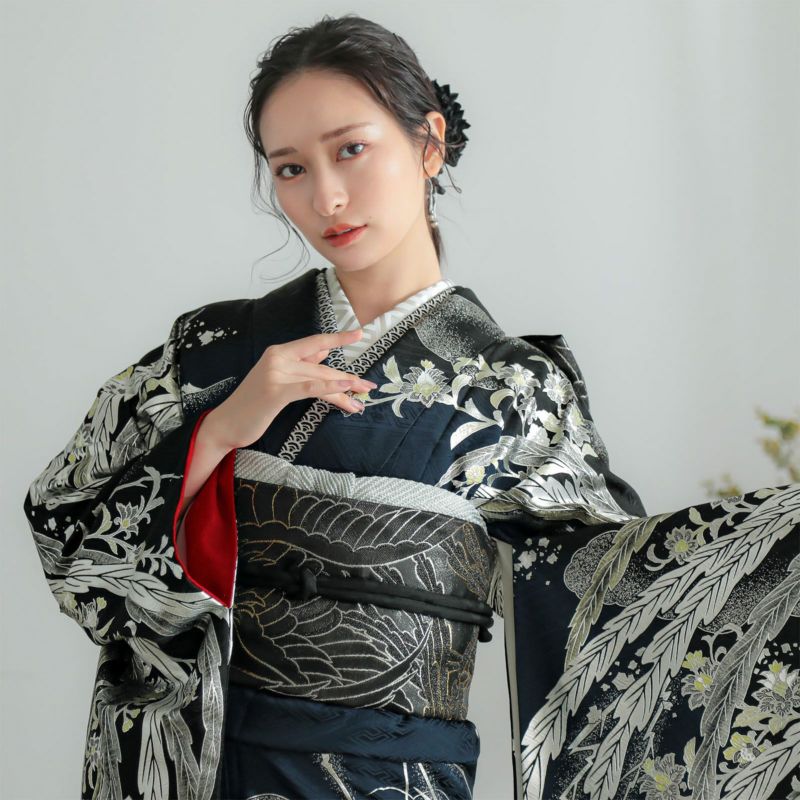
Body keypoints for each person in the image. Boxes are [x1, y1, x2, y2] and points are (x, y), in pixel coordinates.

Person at [22, 13, 799, 800]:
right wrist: (221, 428)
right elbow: (65, 519)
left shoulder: (516, 389)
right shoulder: (215, 349)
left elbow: (625, 599)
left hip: (390, 777)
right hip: (202, 765)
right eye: (290, 168)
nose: (326, 195)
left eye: (350, 150)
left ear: (430, 143)